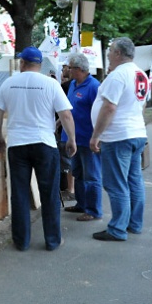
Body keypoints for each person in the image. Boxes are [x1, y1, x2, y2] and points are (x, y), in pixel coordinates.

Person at [0, 46, 77, 251]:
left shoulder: (9, 83)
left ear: (22, 63)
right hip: (44, 144)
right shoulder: (50, 84)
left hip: (18, 145)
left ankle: (21, 241)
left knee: (19, 194)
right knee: (49, 194)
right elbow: (65, 115)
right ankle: (53, 240)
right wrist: (71, 139)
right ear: (39, 64)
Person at [89, 37, 150, 241]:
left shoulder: (118, 76)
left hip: (118, 136)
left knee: (116, 184)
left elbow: (109, 107)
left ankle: (117, 229)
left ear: (117, 54)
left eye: (110, 52)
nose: (107, 55)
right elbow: (139, 106)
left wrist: (96, 135)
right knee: (134, 181)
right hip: (136, 133)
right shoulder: (141, 74)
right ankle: (134, 223)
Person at [61, 53, 102, 222]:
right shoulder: (72, 85)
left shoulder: (94, 87)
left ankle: (93, 210)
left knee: (92, 175)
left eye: (70, 67)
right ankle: (82, 204)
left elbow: (100, 113)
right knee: (77, 172)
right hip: (73, 138)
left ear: (79, 69)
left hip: (88, 139)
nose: (67, 70)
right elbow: (70, 109)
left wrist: (97, 136)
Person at [58, 64, 75, 202]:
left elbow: (65, 112)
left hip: (69, 130)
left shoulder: (66, 86)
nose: (64, 69)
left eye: (67, 67)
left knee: (68, 161)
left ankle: (71, 189)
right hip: (72, 130)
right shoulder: (73, 85)